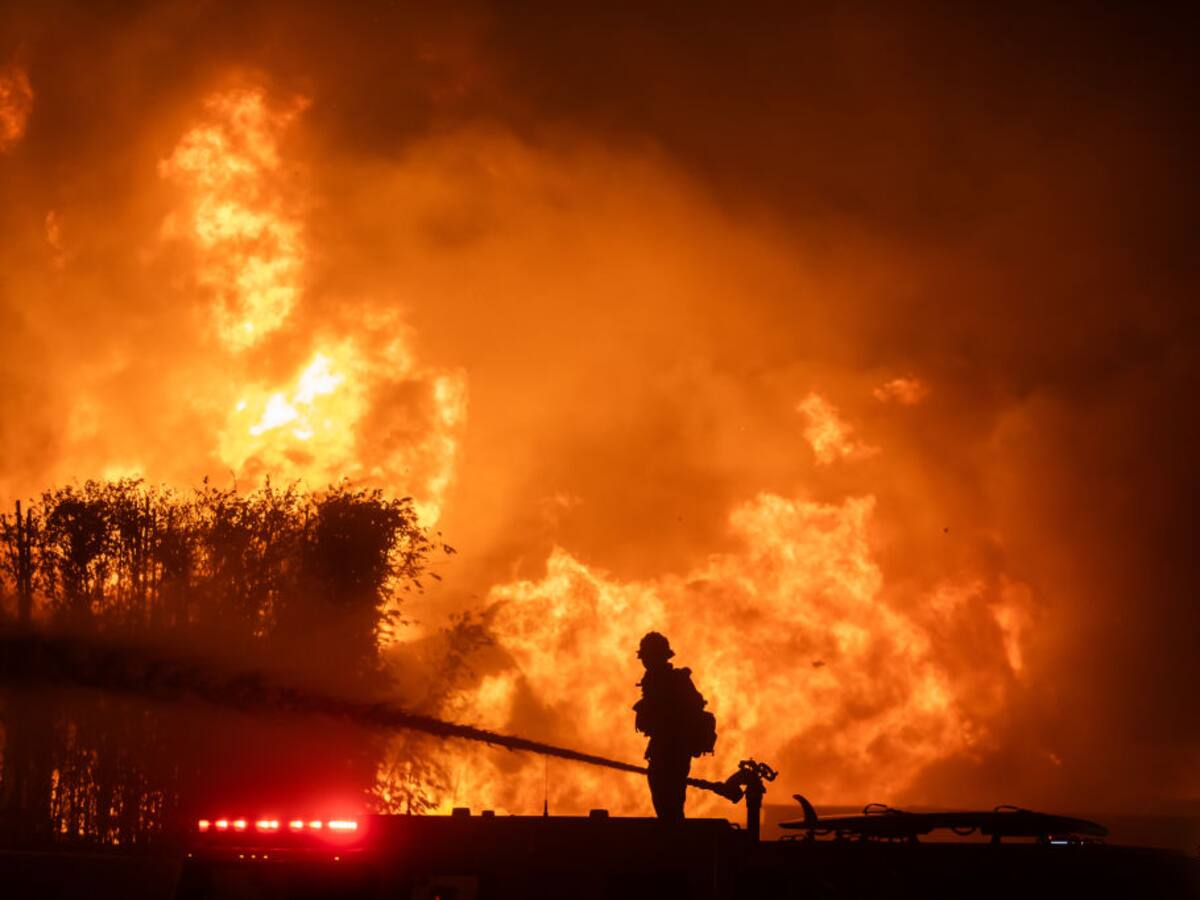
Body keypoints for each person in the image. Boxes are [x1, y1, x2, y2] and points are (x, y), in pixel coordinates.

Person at [632, 631, 711, 821]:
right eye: (645, 658)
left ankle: (674, 839)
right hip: (663, 749)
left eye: (649, 657)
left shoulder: (674, 681)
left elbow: (689, 711)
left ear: (658, 657)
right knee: (665, 804)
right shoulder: (655, 681)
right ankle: (671, 834)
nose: (645, 662)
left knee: (670, 804)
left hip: (673, 751)